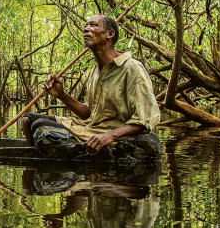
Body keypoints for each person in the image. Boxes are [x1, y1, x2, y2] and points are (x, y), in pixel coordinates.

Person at [21, 14, 160, 155]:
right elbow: (89, 113)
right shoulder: (95, 70)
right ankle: (37, 161)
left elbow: (146, 119)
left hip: (113, 134)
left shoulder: (131, 67)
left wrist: (110, 136)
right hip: (90, 128)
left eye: (93, 25)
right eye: (85, 26)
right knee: (28, 119)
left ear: (110, 34)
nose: (86, 29)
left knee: (40, 127)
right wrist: (62, 95)